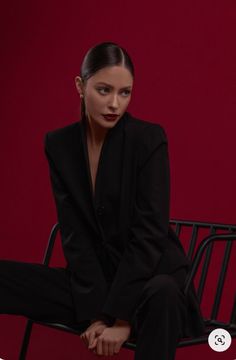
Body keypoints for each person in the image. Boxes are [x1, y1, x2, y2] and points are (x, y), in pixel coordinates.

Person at [0, 41, 205, 360]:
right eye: (104, 90)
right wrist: (97, 315)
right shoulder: (60, 144)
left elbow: (149, 234)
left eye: (125, 93)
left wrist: (121, 320)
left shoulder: (148, 139)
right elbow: (75, 234)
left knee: (163, 292)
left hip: (150, 282)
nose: (114, 104)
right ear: (80, 86)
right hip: (94, 287)